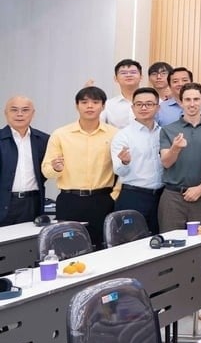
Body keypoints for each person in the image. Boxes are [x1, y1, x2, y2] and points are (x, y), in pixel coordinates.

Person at [43, 87, 118, 248]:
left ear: (103, 106)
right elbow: (46, 170)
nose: (89, 106)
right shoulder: (60, 134)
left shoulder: (115, 134)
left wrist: (115, 195)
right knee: (67, 248)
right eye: (84, 102)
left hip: (102, 200)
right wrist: (56, 168)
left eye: (95, 102)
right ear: (77, 106)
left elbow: (124, 169)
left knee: (101, 247)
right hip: (70, 201)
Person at [158, 82, 201, 231]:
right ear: (180, 102)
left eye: (196, 99)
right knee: (170, 244)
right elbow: (166, 163)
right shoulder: (168, 130)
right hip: (173, 197)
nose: (192, 104)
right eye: (187, 100)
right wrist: (175, 148)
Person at [111, 87, 164, 232]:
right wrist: (125, 162)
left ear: (157, 107)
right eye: (139, 104)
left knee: (159, 241)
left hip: (161, 197)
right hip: (133, 196)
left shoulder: (163, 133)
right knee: (130, 243)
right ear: (132, 108)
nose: (144, 108)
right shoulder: (123, 136)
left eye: (149, 104)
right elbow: (118, 170)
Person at [1, 95, 49, 227]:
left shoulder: (43, 140)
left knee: (30, 244)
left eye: (25, 110)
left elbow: (45, 171)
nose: (19, 114)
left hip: (32, 203)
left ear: (33, 114)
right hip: (5, 202)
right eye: (14, 110)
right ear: (6, 113)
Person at [101, 58, 142, 128]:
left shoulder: (156, 102)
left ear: (141, 77)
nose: (129, 75)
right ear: (115, 79)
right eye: (123, 73)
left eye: (133, 72)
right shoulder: (108, 105)